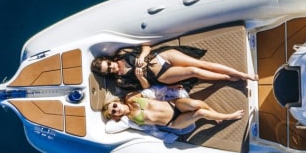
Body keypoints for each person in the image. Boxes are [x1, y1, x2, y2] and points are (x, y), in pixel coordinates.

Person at [91, 44, 256, 91]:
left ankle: (244, 74)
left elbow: (147, 47)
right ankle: (227, 78)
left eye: (110, 65)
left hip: (160, 56)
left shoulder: (122, 52)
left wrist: (141, 56)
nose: (112, 68)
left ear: (109, 59)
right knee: (194, 72)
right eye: (109, 71)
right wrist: (141, 77)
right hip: (161, 75)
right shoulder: (121, 80)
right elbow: (146, 88)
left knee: (202, 64)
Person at [102, 90, 245, 133]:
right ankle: (228, 116)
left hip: (173, 105)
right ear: (116, 117)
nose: (116, 110)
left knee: (196, 104)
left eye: (114, 106)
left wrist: (170, 89)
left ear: (117, 101)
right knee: (200, 113)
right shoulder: (128, 120)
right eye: (113, 113)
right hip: (173, 122)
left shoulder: (131, 97)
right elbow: (109, 129)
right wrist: (112, 119)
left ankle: (213, 114)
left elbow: (151, 90)